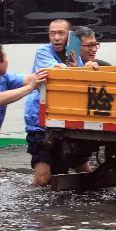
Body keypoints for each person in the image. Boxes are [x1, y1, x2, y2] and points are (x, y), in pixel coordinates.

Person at [23, 18, 91, 186]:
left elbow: (81, 83)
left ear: (70, 36)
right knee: (43, 177)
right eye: (52, 33)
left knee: (81, 171)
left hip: (65, 121)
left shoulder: (73, 55)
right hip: (40, 123)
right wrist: (74, 69)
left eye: (61, 33)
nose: (56, 38)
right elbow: (55, 72)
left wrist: (80, 67)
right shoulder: (43, 52)